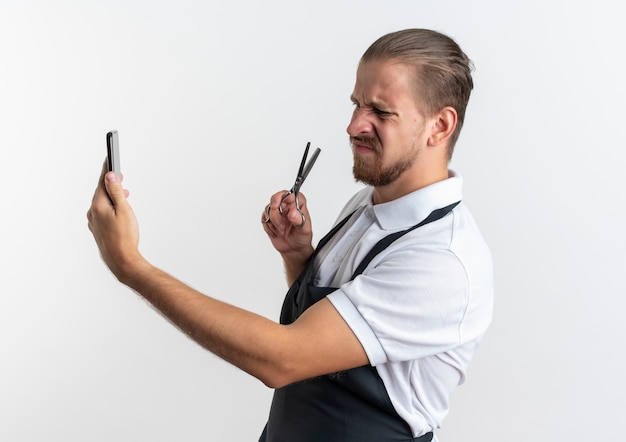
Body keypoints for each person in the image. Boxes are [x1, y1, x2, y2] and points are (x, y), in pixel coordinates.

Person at [87, 28, 493, 442]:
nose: (354, 126)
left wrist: (130, 265)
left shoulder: (442, 260)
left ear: (439, 125)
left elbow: (283, 359)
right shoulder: (366, 205)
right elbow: (333, 334)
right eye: (356, 104)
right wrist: (300, 257)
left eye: (381, 112)